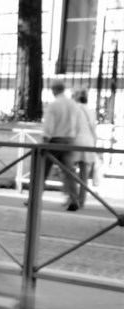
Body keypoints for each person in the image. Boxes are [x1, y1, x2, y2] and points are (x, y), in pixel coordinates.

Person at [39, 79, 82, 210]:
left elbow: (48, 126)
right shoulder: (73, 104)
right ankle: (74, 200)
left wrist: (44, 142)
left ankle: (34, 198)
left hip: (55, 141)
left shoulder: (53, 105)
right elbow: (78, 125)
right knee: (70, 173)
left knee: (42, 171)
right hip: (70, 141)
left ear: (54, 90)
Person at [73, 88, 99, 202]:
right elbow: (93, 128)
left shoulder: (74, 109)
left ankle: (73, 198)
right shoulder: (91, 111)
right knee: (84, 174)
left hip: (75, 142)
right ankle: (82, 199)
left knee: (69, 170)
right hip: (88, 143)